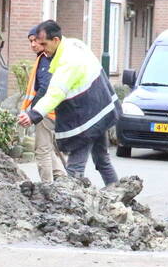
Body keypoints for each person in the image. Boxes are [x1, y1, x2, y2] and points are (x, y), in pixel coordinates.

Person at [16, 20, 119, 186]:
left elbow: (55, 92)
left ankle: (70, 200)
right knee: (102, 160)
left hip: (87, 118)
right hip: (101, 109)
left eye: (44, 43)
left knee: (74, 168)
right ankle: (119, 194)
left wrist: (33, 115)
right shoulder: (74, 44)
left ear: (56, 40)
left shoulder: (67, 61)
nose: (41, 47)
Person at [21, 25, 67, 182]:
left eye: (36, 40)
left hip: (45, 112)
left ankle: (47, 187)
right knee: (48, 149)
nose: (33, 44)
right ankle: (62, 179)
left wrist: (33, 113)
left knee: (42, 151)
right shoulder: (44, 58)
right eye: (30, 41)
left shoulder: (46, 60)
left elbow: (46, 87)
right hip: (48, 111)